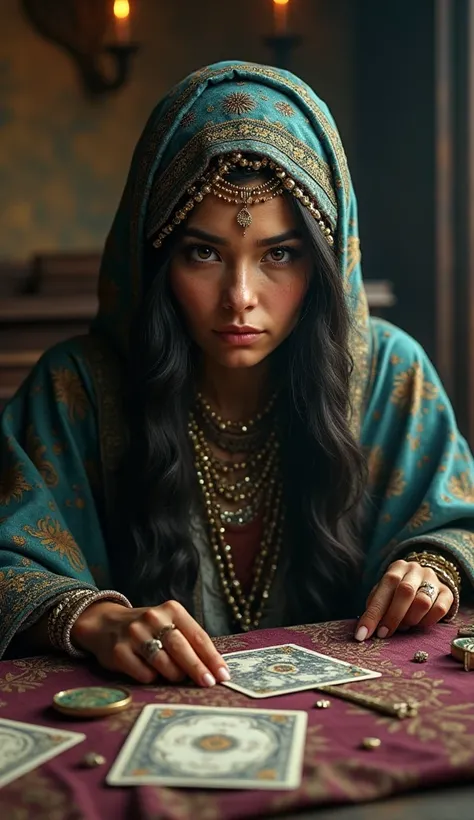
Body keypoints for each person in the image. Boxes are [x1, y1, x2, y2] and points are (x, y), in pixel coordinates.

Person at [1, 61, 473, 689]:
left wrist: (431, 567)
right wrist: (91, 618)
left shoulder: (390, 375)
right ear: (158, 256)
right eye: (204, 253)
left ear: (326, 262)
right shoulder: (77, 389)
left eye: (279, 254)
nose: (240, 297)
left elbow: (456, 518)